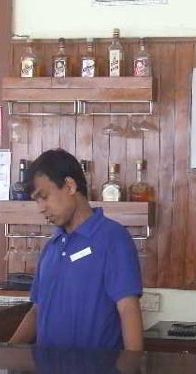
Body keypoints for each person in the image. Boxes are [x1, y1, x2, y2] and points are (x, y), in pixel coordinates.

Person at [9, 149, 144, 351]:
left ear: (70, 186)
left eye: (44, 196)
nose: (40, 208)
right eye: (36, 200)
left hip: (97, 370)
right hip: (47, 369)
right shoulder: (52, 246)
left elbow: (128, 309)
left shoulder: (113, 238)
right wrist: (8, 350)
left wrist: (132, 365)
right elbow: (38, 310)